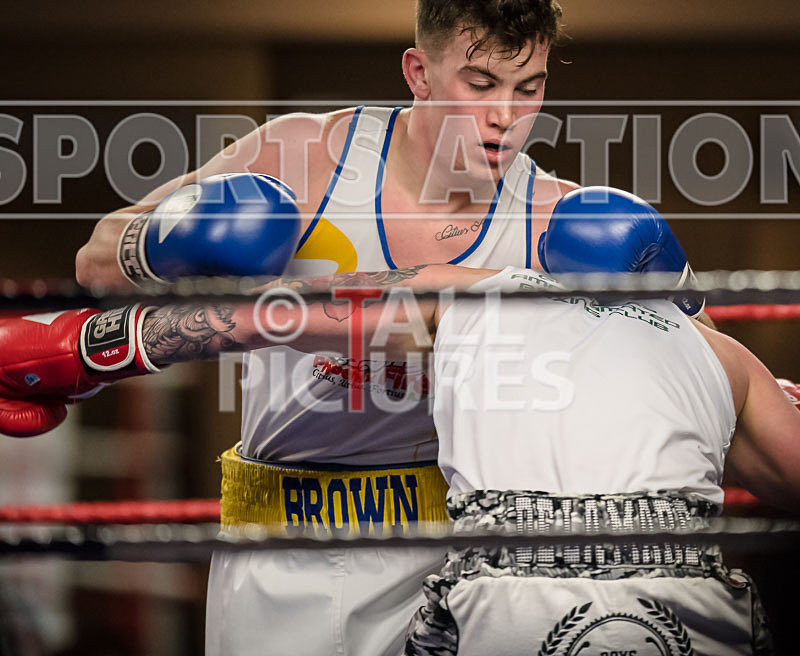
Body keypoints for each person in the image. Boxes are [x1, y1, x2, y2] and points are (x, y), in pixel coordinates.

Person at [68, 0, 701, 655]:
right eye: (481, 82)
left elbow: (687, 364)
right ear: (419, 73)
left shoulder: (557, 221)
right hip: (280, 547)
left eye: (528, 89)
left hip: (452, 550)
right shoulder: (303, 156)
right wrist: (167, 242)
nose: (505, 117)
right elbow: (96, 259)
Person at [1, 255, 796, 654]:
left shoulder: (475, 293)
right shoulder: (713, 351)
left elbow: (262, 320)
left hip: (506, 593)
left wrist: (90, 345)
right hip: (681, 588)